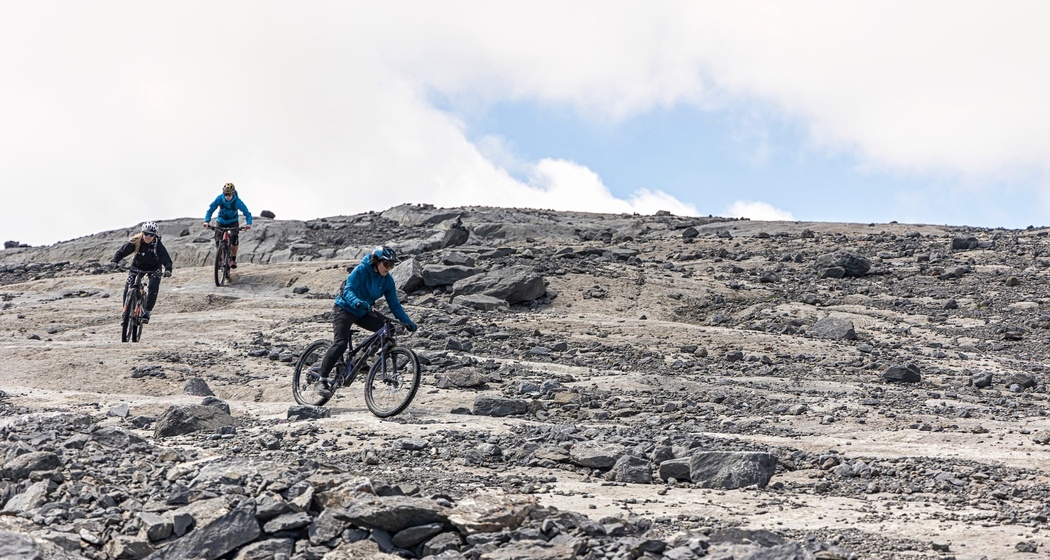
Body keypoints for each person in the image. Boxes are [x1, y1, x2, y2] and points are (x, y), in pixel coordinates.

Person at [316, 246, 418, 395]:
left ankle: (359, 359)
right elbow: (348, 289)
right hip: (345, 309)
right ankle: (322, 380)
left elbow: (394, 305)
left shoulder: (388, 281)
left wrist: (407, 321)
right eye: (386, 264)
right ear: (376, 261)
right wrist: (357, 302)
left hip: (363, 312)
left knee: (388, 329)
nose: (389, 268)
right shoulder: (361, 270)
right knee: (341, 344)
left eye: (392, 265)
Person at [109, 222, 173, 324]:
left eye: (151, 234)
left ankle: (147, 312)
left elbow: (166, 258)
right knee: (128, 287)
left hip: (154, 268)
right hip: (137, 267)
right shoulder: (136, 241)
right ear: (142, 233)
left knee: (153, 287)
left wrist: (168, 269)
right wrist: (114, 261)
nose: (148, 236)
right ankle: (125, 313)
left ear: (155, 235)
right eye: (146, 233)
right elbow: (122, 251)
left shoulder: (158, 245)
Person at [203, 182, 252, 268]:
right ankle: (221, 259)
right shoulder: (219, 199)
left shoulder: (237, 202)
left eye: (229, 194)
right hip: (221, 221)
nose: (227, 196)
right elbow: (210, 210)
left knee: (234, 238)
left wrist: (248, 224)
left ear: (233, 193)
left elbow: (247, 214)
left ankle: (233, 259)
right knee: (218, 240)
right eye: (226, 194)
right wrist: (207, 221)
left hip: (233, 221)